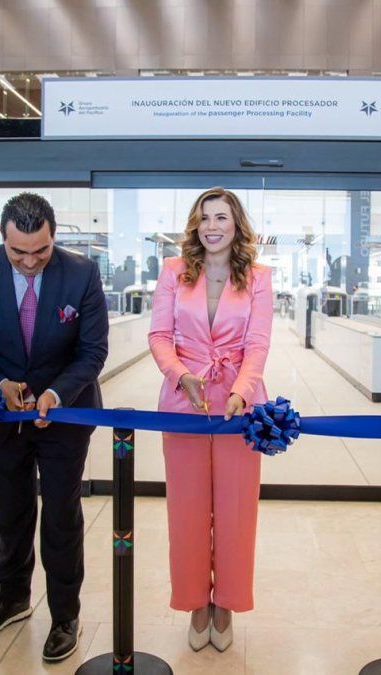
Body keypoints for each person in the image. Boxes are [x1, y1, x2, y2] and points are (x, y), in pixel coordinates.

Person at [0, 192, 109, 662]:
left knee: (61, 516)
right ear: (2, 239)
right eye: (19, 252)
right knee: (10, 512)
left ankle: (64, 616)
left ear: (53, 237)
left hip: (64, 417)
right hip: (1, 418)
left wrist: (55, 395)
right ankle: (13, 598)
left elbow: (92, 352)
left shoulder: (81, 273)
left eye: (41, 250)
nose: (31, 261)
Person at [148, 187, 272, 653]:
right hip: (185, 404)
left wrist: (241, 390)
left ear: (236, 224)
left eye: (221, 217)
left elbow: (258, 343)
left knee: (237, 511)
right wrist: (180, 376)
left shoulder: (258, 276)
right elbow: (160, 335)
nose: (212, 226)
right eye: (204, 218)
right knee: (188, 510)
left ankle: (227, 603)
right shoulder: (173, 271)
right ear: (195, 226)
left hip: (241, 409)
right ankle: (197, 600)